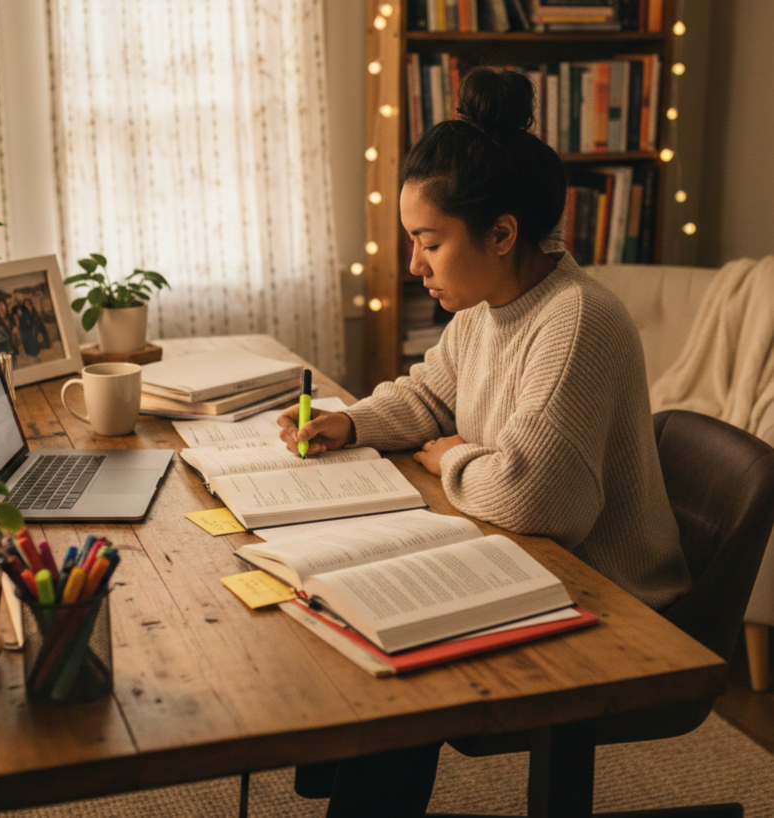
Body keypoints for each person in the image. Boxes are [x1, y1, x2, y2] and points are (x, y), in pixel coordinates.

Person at [277, 66, 692, 817]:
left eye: (428, 242)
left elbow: (537, 499)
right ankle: (338, 779)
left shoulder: (575, 321)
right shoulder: (487, 307)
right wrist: (354, 422)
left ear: (501, 233)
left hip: (613, 601)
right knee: (347, 586)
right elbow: (433, 393)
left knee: (410, 657)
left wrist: (452, 457)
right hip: (531, 563)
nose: (414, 265)